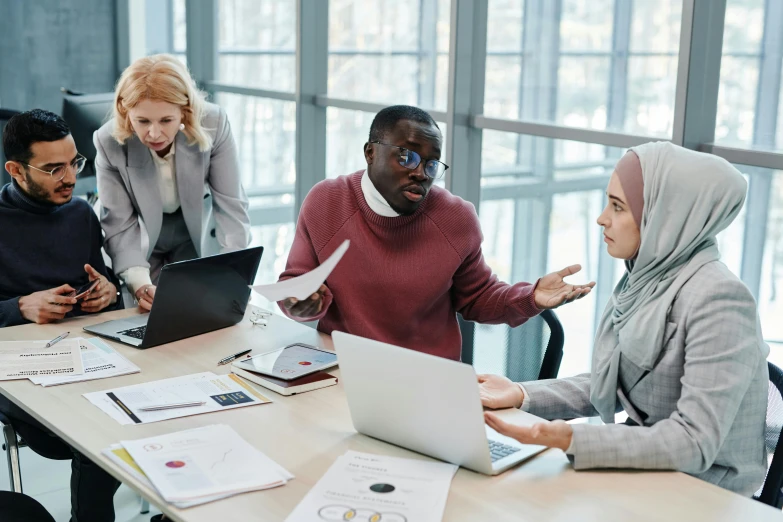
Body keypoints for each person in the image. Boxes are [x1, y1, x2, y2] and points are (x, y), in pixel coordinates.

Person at [479, 142, 769, 496]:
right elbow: (614, 382)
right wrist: (522, 394)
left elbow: (694, 441)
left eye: (617, 207)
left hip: (706, 491)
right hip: (648, 473)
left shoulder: (720, 299)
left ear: (666, 215)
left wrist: (573, 438)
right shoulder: (646, 278)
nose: (602, 218)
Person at [278, 105, 595, 360]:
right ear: (370, 152)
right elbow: (294, 284)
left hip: (427, 382)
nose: (420, 173)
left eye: (431, 164)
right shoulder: (327, 202)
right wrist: (299, 302)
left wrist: (532, 297)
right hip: (342, 369)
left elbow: (478, 298)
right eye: (407, 156)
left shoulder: (455, 218)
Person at [0, 109, 122, 520]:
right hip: (19, 369)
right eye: (54, 168)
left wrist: (108, 293)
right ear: (16, 170)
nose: (70, 177)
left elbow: (104, 286)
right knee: (96, 431)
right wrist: (18, 307)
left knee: (119, 420)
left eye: (74, 162)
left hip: (86, 357)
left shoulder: (80, 214)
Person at [94, 54, 251, 311]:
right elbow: (120, 224)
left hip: (193, 229)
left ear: (185, 111)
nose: (154, 133)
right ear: (125, 110)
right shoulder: (107, 140)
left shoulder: (214, 122)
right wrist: (140, 285)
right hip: (139, 232)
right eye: (142, 121)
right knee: (145, 312)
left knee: (199, 310)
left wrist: (232, 273)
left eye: (166, 120)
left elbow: (231, 205)